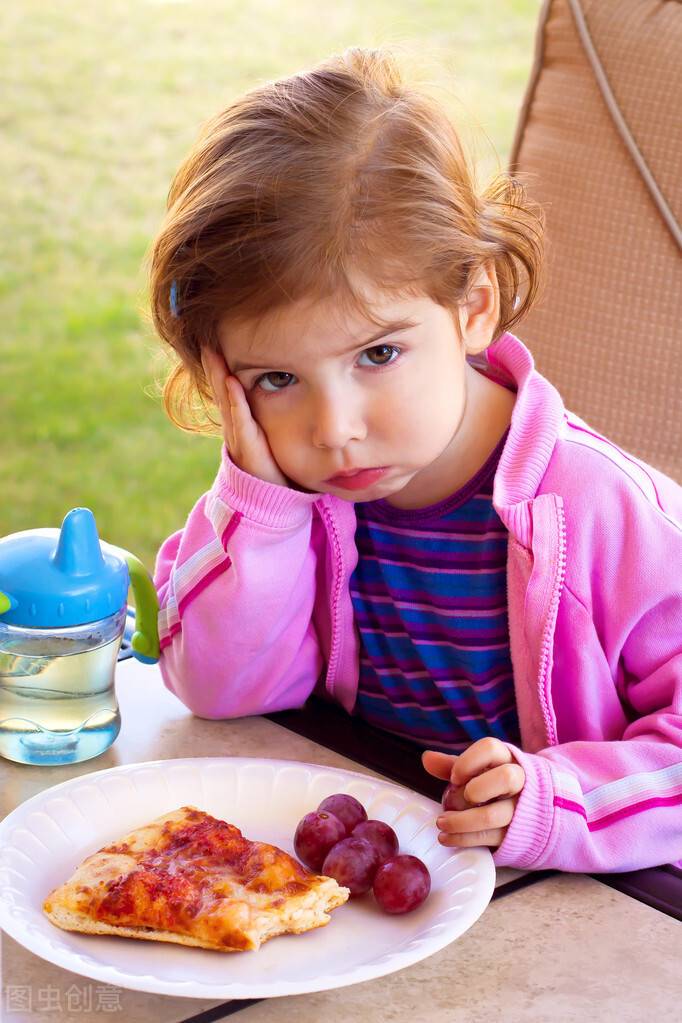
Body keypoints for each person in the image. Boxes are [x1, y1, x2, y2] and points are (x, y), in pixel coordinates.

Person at [147, 47, 682, 873]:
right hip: (368, 884)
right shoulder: (291, 496)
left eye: (378, 355)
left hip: (570, 899)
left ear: (472, 307)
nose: (335, 429)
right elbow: (222, 692)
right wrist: (259, 506)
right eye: (279, 378)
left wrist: (556, 798)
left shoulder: (605, 509)